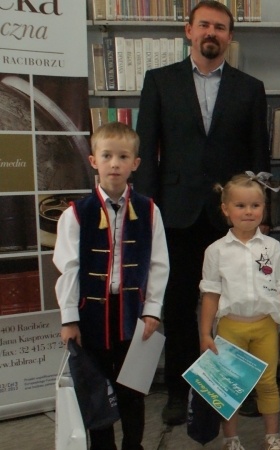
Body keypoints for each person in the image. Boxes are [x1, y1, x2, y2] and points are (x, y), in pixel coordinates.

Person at [134, 0, 269, 424]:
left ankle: (235, 389)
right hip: (176, 215)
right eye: (205, 25)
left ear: (230, 36)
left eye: (221, 27)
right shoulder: (159, 81)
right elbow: (146, 148)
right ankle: (180, 391)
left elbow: (257, 157)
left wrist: (254, 214)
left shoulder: (250, 87)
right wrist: (149, 211)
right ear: (188, 30)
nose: (213, 33)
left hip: (231, 218)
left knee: (237, 307)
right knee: (177, 305)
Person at [54, 122, 169, 450]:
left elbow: (159, 265)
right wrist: (68, 318)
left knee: (133, 389)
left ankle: (134, 445)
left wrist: (152, 311)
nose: (114, 163)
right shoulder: (77, 213)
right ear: (93, 161)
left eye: (122, 156)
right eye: (107, 156)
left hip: (134, 314)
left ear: (136, 163)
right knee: (96, 390)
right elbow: (69, 268)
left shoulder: (149, 210)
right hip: (91, 317)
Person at [199, 173, 280, 450]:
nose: (248, 211)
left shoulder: (272, 247)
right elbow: (210, 295)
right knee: (230, 388)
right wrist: (205, 333)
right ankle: (231, 439)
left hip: (265, 326)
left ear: (263, 209)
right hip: (230, 328)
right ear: (226, 210)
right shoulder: (216, 251)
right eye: (240, 206)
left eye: (255, 205)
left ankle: (272, 437)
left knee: (267, 383)